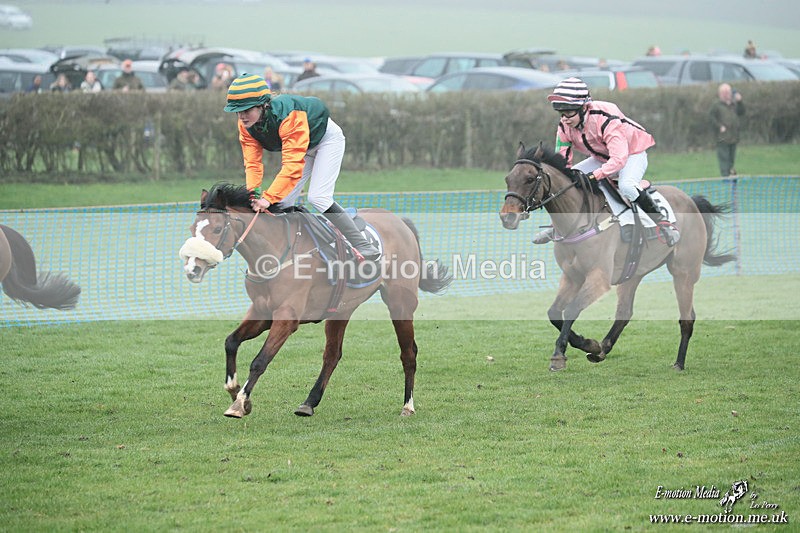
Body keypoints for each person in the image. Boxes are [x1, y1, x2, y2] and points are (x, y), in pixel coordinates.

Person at [223, 73, 380, 262]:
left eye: (246, 110)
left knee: (318, 197)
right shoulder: (245, 126)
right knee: (281, 205)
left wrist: (269, 197)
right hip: (302, 148)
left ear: (263, 105)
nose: (241, 116)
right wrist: (254, 194)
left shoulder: (289, 116)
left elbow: (292, 165)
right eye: (237, 111)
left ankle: (364, 245)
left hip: (326, 141)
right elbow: (253, 164)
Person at [535, 77, 679, 246]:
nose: (564, 118)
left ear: (583, 108)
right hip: (602, 157)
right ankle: (556, 226)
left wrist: (594, 176)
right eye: (561, 113)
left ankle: (663, 223)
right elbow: (563, 160)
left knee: (627, 185)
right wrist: (568, 176)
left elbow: (619, 159)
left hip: (632, 154)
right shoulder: (564, 126)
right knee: (569, 181)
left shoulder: (605, 117)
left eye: (569, 112)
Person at [710, 83, 745, 177]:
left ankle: (730, 173)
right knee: (724, 157)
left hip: (734, 135)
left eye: (728, 92)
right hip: (722, 137)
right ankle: (725, 176)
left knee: (731, 158)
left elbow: (742, 112)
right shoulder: (716, 106)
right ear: (720, 94)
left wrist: (740, 101)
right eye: (724, 92)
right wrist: (719, 126)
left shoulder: (734, 104)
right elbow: (711, 118)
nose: (726, 94)